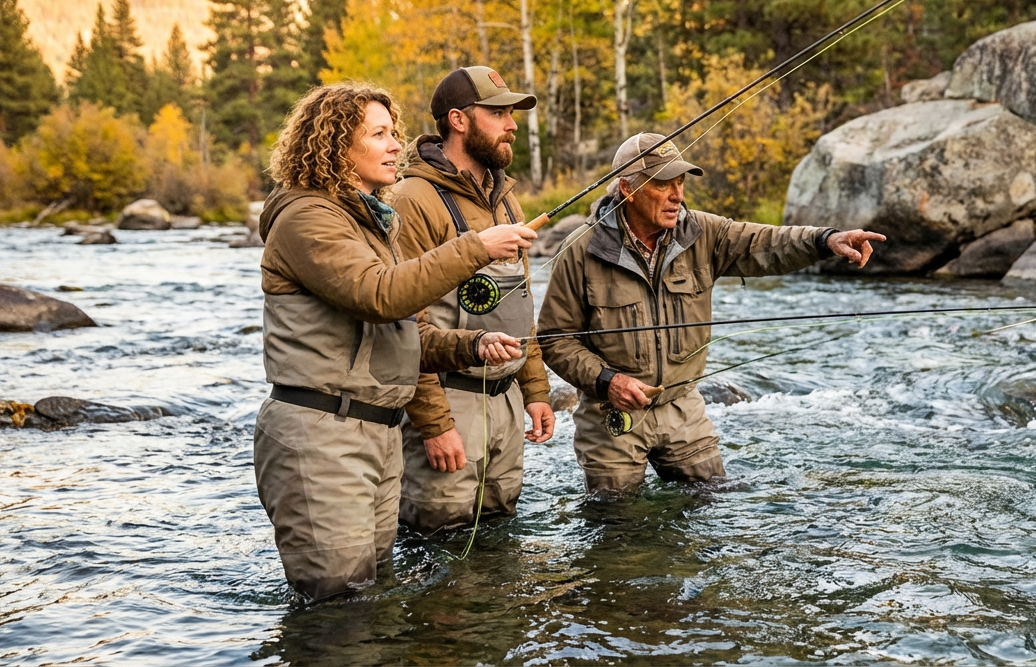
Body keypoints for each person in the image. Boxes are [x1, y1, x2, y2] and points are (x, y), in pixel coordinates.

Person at [252, 81, 537, 600]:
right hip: (322, 436)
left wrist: (470, 346)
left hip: (376, 435)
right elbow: (380, 295)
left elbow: (402, 331)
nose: (394, 146)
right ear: (337, 144)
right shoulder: (306, 218)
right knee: (338, 613)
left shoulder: (367, 223)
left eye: (394, 132)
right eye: (379, 134)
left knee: (373, 602)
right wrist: (476, 247)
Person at [537, 133, 886, 492]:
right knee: (618, 526)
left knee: (711, 507)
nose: (678, 195)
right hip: (611, 414)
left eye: (680, 182)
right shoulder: (581, 249)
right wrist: (607, 381)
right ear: (627, 188)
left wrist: (825, 241)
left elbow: (766, 243)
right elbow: (553, 338)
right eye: (662, 184)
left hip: (683, 407)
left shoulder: (703, 233)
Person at [386, 66, 556, 532]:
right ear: (459, 120)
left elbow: (520, 306)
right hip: (449, 404)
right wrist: (435, 424)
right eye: (499, 113)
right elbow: (400, 325)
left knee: (500, 546)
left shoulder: (504, 199)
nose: (512, 124)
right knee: (442, 552)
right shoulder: (412, 199)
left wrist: (536, 391)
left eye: (511, 114)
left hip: (506, 405)